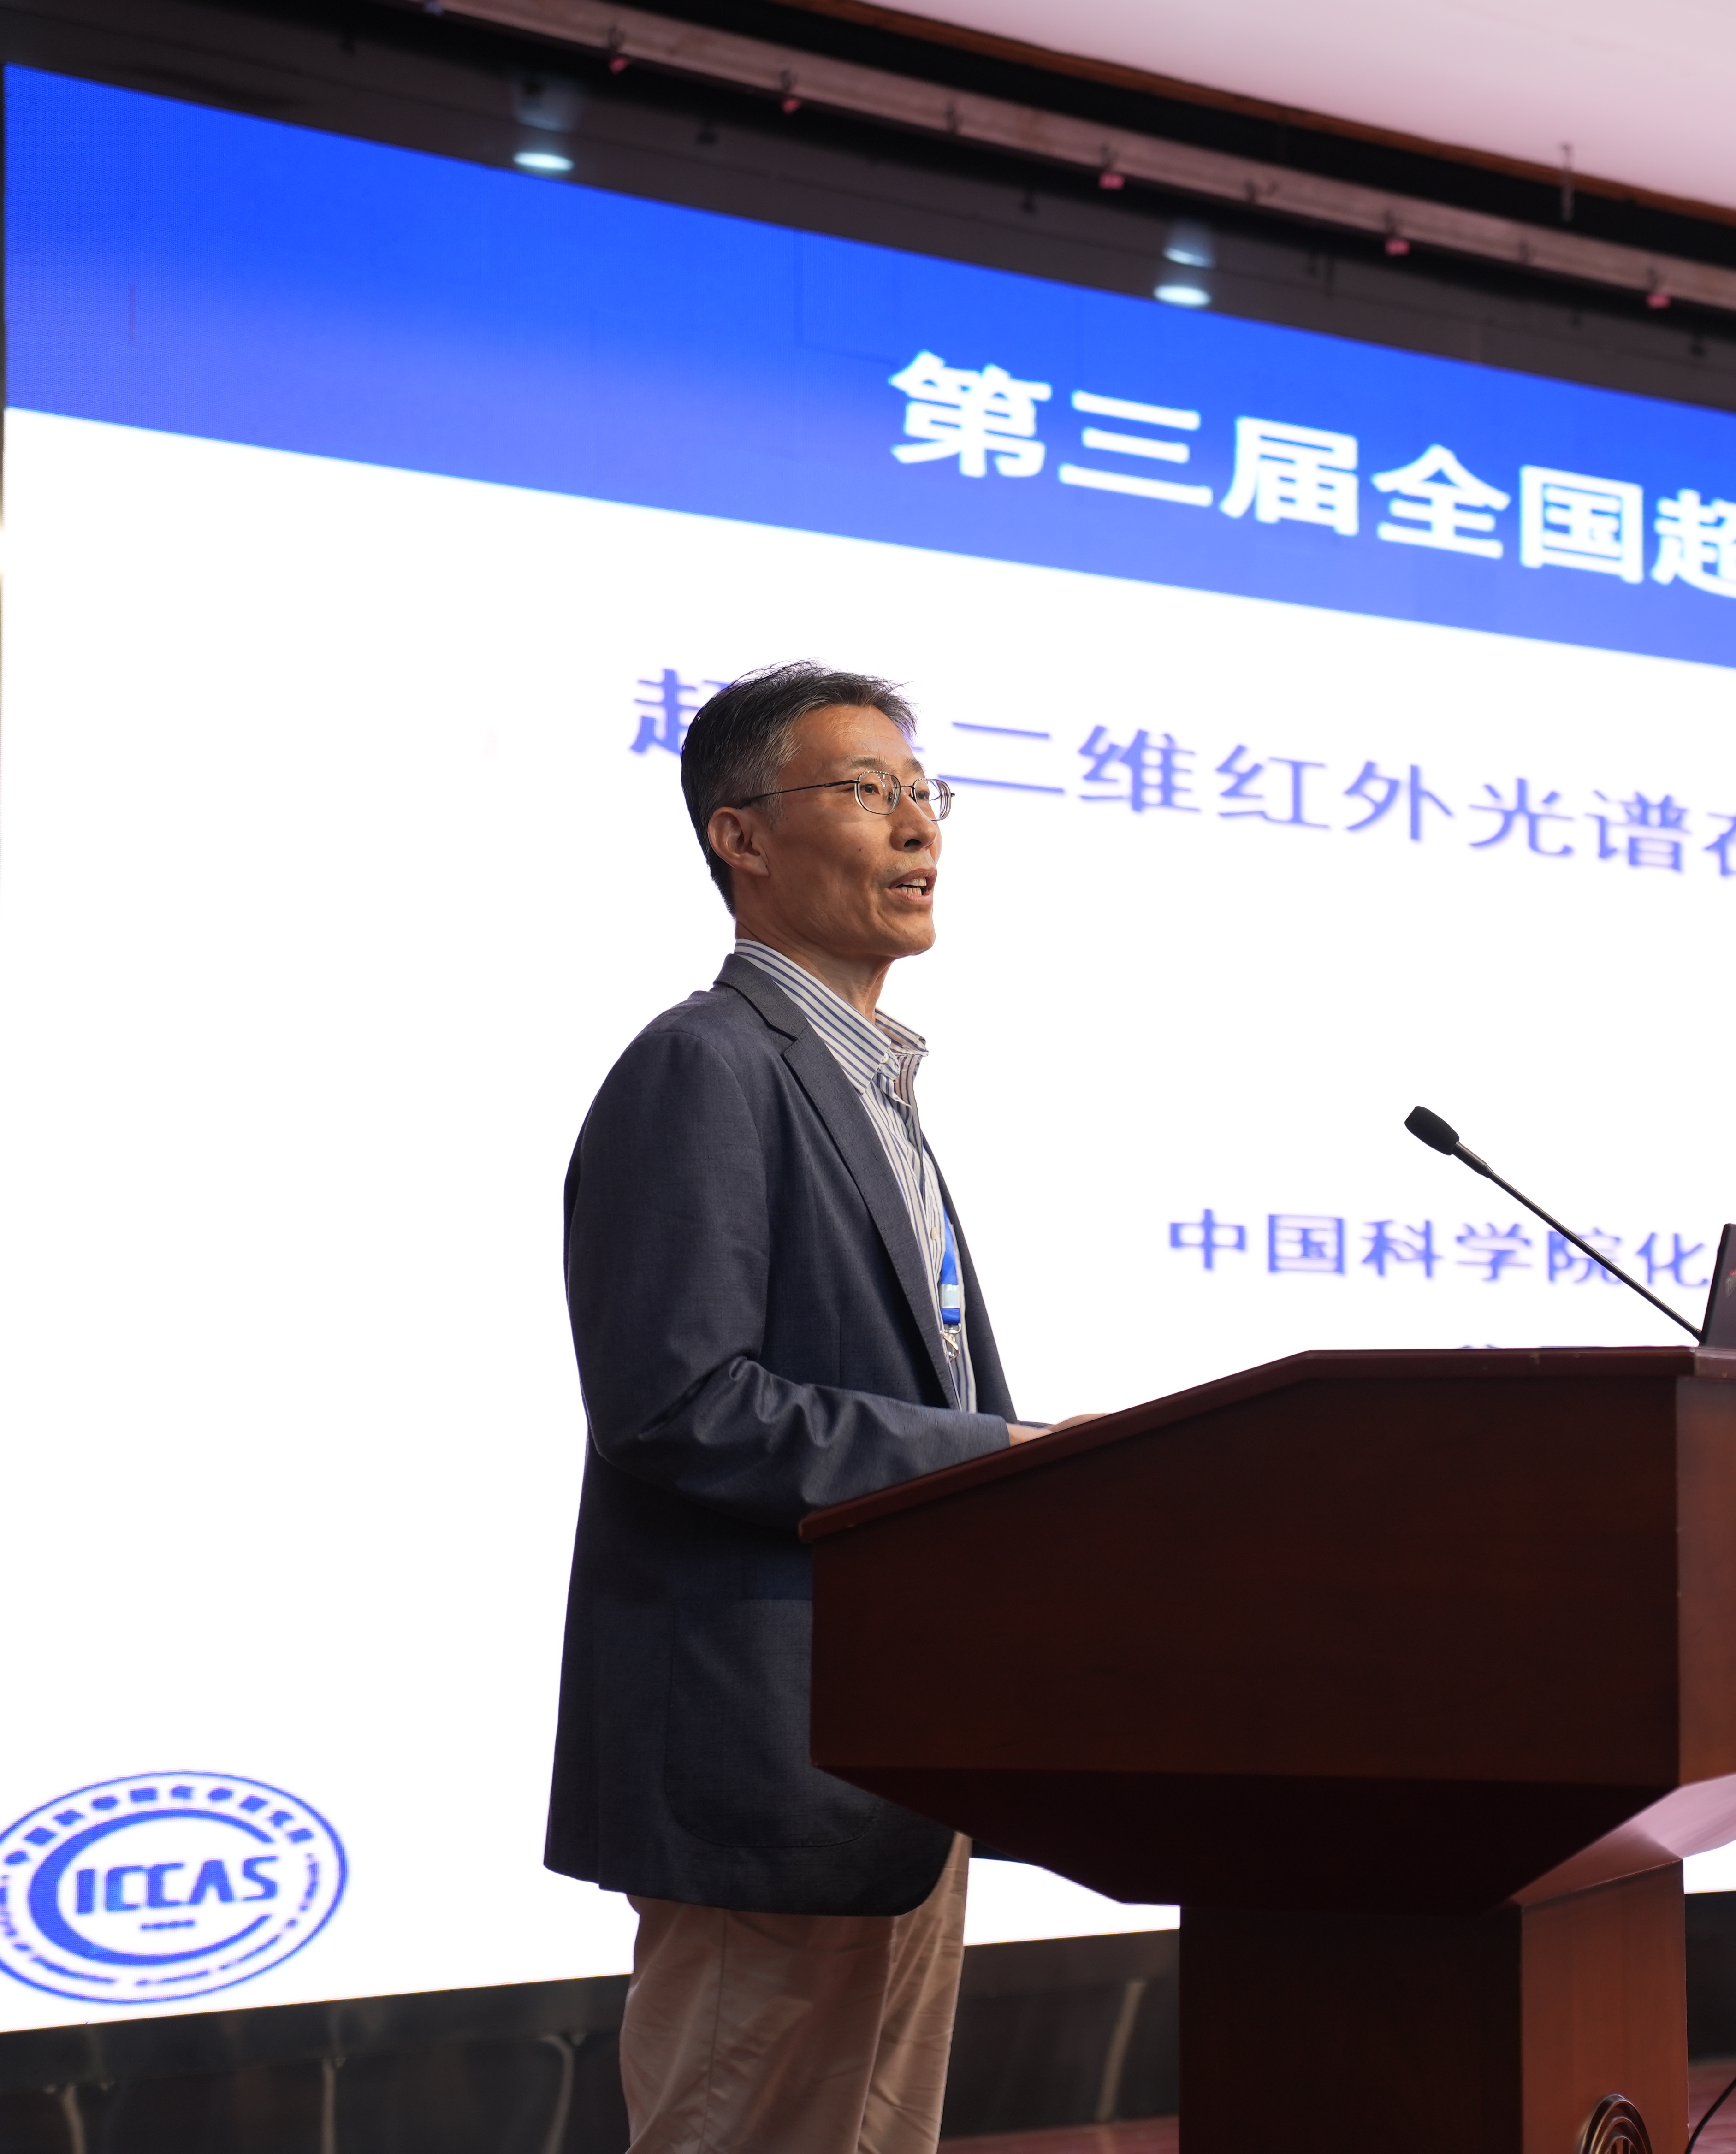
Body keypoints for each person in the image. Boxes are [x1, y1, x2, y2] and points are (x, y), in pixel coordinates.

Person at [548, 662, 1087, 2154]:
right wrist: (996, 1458)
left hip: (897, 1759)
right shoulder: (704, 1065)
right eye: (867, 791)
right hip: (770, 1761)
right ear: (741, 836)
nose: (919, 828)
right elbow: (678, 1404)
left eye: (926, 794)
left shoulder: (873, 1092)